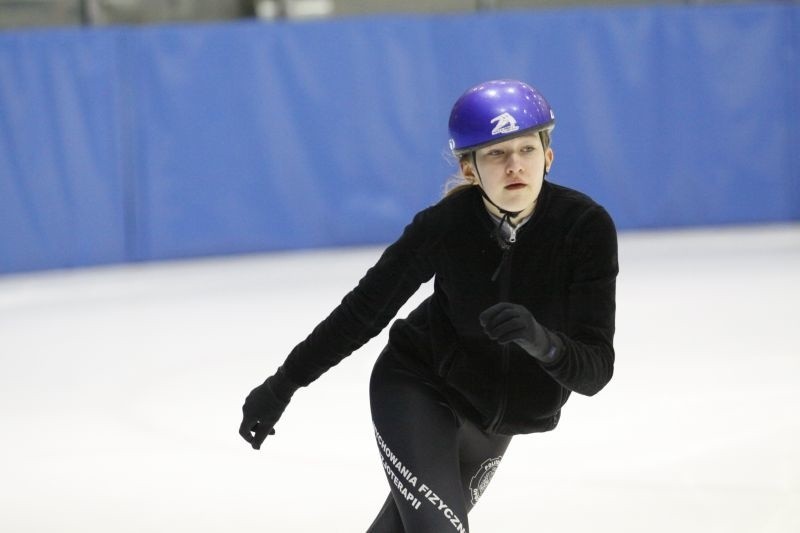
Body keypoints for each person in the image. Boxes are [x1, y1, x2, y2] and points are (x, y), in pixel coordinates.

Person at [239, 79, 619, 532]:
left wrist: (541, 342)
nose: (514, 165)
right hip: (418, 387)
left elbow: (595, 371)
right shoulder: (443, 227)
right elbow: (362, 313)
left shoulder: (584, 229)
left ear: (548, 157)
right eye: (496, 153)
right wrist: (283, 385)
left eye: (526, 149)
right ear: (470, 168)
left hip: (495, 425)